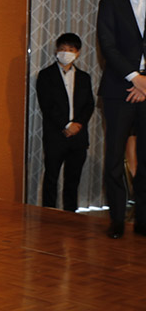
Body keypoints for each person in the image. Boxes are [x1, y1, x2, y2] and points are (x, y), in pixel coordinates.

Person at [97, 0, 146, 239]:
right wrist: (135, 78)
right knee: (114, 157)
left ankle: (142, 218)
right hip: (119, 90)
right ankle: (116, 219)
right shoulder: (110, 4)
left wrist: (145, 83)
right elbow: (107, 45)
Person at [36, 33, 94, 212]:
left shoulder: (84, 77)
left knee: (73, 179)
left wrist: (78, 124)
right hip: (56, 135)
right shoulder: (46, 75)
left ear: (78, 53)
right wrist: (66, 125)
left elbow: (89, 105)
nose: (65, 53)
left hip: (78, 137)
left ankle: (71, 214)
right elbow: (47, 105)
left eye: (70, 50)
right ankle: (49, 215)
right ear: (56, 51)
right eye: (62, 49)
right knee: (51, 178)